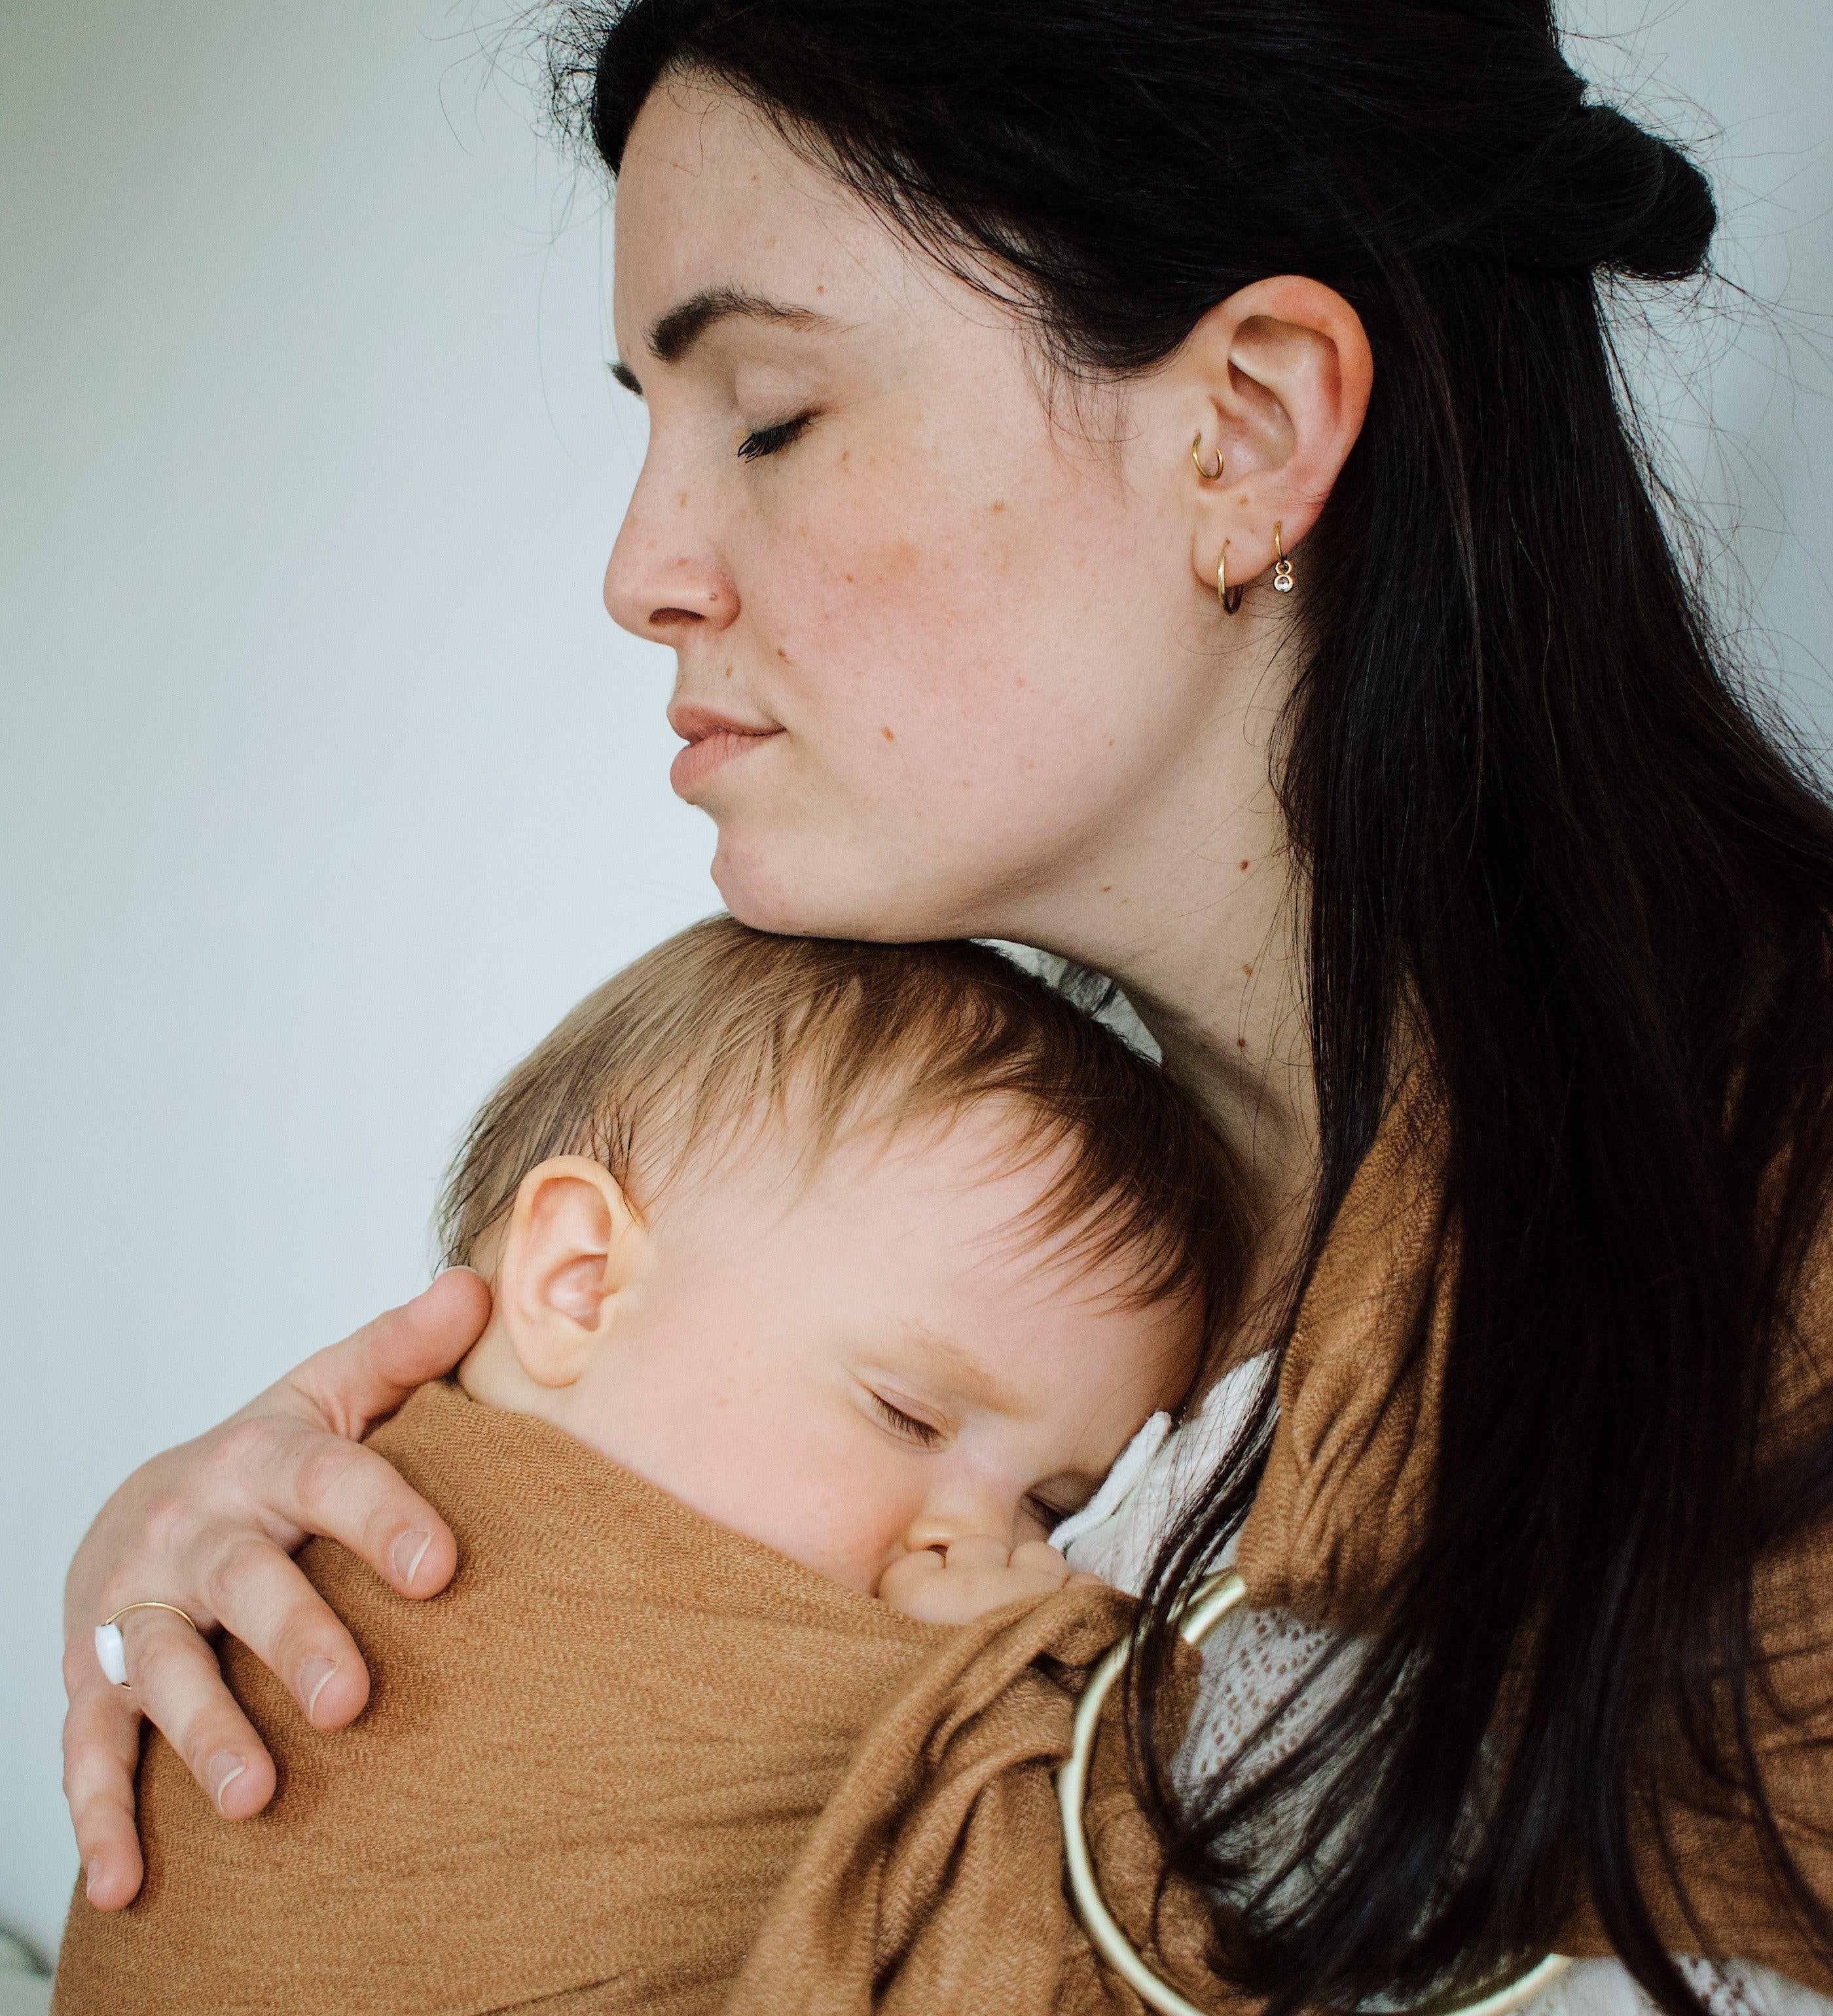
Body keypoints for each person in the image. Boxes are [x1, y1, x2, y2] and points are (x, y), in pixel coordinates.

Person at [60, 1, 1833, 2010]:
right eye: (648, 421)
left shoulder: (1759, 1275)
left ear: (1244, 429)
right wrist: (396, 1639)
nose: (640, 570)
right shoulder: (879, 1190)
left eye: (770, 414)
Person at [52, 918, 1248, 2013]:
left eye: (1058, 1505)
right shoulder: (318, 1524)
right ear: (579, 1283)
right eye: (908, 1417)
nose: (998, 1552)